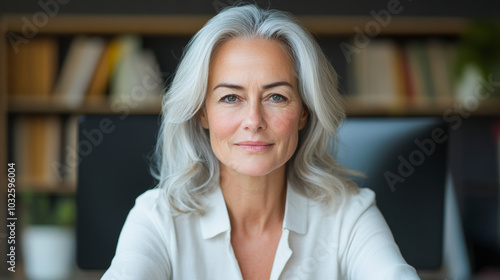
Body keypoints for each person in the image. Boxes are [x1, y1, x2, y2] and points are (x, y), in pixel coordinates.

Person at [102, 4, 420, 280]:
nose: (254, 120)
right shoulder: (157, 218)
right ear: (202, 114)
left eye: (276, 97)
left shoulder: (348, 215)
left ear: (304, 112)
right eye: (230, 97)